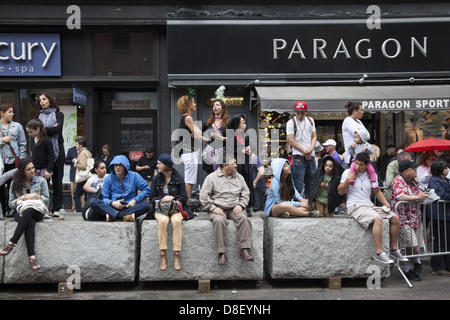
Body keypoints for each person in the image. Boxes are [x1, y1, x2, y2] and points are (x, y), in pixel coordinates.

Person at [337, 152, 408, 264]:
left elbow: (377, 191)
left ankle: (394, 249)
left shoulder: (371, 174)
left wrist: (386, 203)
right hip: (354, 207)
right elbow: (340, 191)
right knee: (377, 218)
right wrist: (348, 180)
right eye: (356, 163)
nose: (357, 167)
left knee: (395, 218)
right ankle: (379, 252)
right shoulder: (347, 172)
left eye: (361, 165)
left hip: (368, 206)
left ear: (367, 165)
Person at [200, 156, 254, 265]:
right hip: (217, 209)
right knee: (219, 221)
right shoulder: (212, 178)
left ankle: (244, 250)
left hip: (235, 208)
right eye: (233, 163)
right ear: (225, 165)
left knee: (244, 218)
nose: (236, 165)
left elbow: (246, 192)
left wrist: (241, 204)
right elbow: (203, 196)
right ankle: (221, 253)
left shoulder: (239, 177)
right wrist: (213, 208)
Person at [0, 158, 50, 271]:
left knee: (29, 212)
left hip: (37, 210)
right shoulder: (15, 183)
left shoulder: (41, 181)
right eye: (29, 169)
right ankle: (32, 258)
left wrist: (38, 196)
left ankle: (11, 243)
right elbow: (11, 204)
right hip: (21, 210)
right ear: (22, 171)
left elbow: (47, 200)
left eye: (33, 168)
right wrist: (21, 198)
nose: (32, 171)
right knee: (30, 221)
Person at [149, 153, 192, 271]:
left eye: (159, 164)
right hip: (161, 209)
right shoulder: (156, 178)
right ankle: (163, 254)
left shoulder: (178, 178)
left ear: (167, 165)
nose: (157, 166)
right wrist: (161, 199)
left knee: (177, 221)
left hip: (175, 209)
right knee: (163, 221)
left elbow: (184, 197)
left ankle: (176, 255)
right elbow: (151, 197)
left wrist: (172, 197)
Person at [391, 160, 428, 281]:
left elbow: (419, 194)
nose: (416, 170)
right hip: (403, 219)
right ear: (406, 171)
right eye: (414, 168)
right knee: (412, 246)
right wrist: (418, 197)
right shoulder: (398, 180)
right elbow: (400, 196)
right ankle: (412, 265)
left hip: (416, 218)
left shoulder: (414, 182)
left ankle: (412, 267)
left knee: (415, 245)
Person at [89, 155, 150, 222]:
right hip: (112, 208)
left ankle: (114, 216)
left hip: (130, 207)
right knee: (93, 201)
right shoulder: (109, 178)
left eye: (120, 165)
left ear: (125, 166)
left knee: (146, 205)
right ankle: (123, 216)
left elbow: (146, 189)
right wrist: (112, 203)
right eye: (115, 165)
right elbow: (104, 197)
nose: (117, 168)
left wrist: (135, 200)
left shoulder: (134, 176)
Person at [35, 93, 65, 217]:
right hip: (43, 153)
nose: (42, 102)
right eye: (40, 100)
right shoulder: (38, 116)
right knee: (43, 182)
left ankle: (56, 209)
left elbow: (58, 129)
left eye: (44, 99)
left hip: (58, 150)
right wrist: (50, 128)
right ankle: (44, 208)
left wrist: (43, 130)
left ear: (50, 100)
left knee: (57, 181)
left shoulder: (59, 114)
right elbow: (35, 130)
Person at [177, 94, 205, 205]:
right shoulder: (188, 118)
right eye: (193, 102)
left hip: (188, 152)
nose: (195, 104)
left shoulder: (187, 118)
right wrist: (197, 133)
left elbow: (198, 135)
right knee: (189, 181)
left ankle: (186, 204)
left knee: (190, 180)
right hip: (189, 152)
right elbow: (198, 135)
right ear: (188, 105)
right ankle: (186, 205)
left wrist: (201, 136)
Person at [0, 103, 27, 217]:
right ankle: (2, 209)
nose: (12, 114)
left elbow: (22, 144)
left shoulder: (17, 126)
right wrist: (2, 140)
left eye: (12, 112)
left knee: (15, 185)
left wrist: (22, 161)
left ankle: (12, 209)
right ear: (2, 113)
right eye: (9, 112)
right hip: (0, 162)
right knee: (0, 186)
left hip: (14, 160)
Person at [286, 101, 317, 198]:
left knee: (312, 183)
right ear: (294, 112)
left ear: (306, 112)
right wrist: (305, 151)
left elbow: (314, 136)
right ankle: (296, 204)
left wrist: (310, 150)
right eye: (298, 112)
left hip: (310, 155)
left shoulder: (310, 120)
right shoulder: (291, 123)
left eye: (302, 113)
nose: (300, 115)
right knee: (298, 183)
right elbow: (291, 141)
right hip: (298, 156)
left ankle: (309, 204)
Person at [427, 159, 450, 276]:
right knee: (440, 241)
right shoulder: (434, 181)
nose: (447, 170)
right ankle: (438, 266)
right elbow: (444, 195)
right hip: (439, 215)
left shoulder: (445, 180)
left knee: (447, 241)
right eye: (445, 168)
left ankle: (447, 265)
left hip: (446, 214)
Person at [229, 115, 254, 213]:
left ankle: (247, 206)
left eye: (245, 123)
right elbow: (229, 150)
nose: (245, 125)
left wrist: (248, 150)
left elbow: (247, 149)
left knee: (246, 185)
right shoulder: (231, 136)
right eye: (242, 123)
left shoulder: (245, 136)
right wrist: (241, 150)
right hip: (236, 165)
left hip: (245, 165)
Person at [25, 119, 55, 191]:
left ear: (38, 129)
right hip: (34, 169)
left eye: (31, 132)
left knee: (44, 190)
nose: (29, 134)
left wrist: (49, 170)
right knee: (33, 189)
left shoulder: (47, 140)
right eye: (28, 132)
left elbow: (51, 156)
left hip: (44, 170)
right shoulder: (32, 140)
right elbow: (32, 153)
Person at [202, 98, 230, 174]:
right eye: (213, 105)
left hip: (222, 155)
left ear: (223, 108)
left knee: (222, 176)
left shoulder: (228, 123)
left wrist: (221, 138)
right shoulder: (209, 122)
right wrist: (204, 139)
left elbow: (233, 139)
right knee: (210, 177)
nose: (215, 107)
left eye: (217, 105)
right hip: (209, 154)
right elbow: (196, 132)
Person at [73, 137, 93, 213]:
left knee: (76, 195)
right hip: (88, 176)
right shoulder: (88, 152)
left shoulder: (82, 153)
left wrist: (75, 163)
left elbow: (83, 166)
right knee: (86, 195)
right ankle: (87, 210)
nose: (76, 146)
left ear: (81, 145)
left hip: (83, 177)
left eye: (77, 144)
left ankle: (79, 211)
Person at [65, 141, 80, 211]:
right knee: (73, 192)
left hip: (82, 174)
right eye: (76, 143)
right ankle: (74, 208)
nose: (77, 145)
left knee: (82, 194)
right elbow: (66, 161)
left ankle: (82, 208)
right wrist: (72, 161)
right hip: (73, 173)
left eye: (79, 144)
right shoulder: (71, 150)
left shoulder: (86, 151)